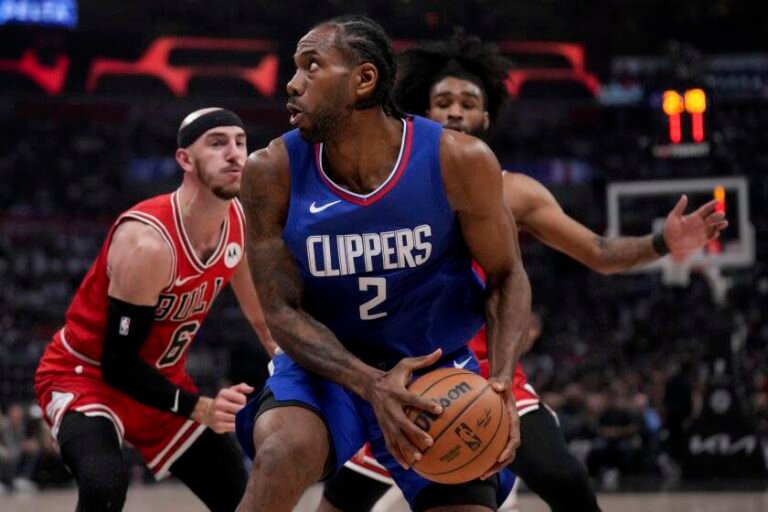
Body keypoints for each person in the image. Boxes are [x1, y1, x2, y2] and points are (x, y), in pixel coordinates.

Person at [319, 33, 728, 512]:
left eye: (468, 102)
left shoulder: (515, 192)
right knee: (340, 500)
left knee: (563, 475)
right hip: (400, 373)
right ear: (422, 113)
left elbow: (598, 251)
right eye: (443, 101)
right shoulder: (387, 187)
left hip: (485, 373)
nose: (455, 111)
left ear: (485, 117)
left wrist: (662, 242)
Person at [235, 15, 531, 512]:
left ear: (363, 81)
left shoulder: (457, 160)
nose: (291, 83)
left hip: (431, 371)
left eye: (311, 66)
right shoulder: (270, 172)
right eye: (295, 68)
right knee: (283, 451)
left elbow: (508, 276)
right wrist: (370, 384)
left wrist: (500, 385)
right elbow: (281, 311)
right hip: (326, 371)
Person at [33, 107, 276, 511]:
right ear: (184, 159)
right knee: (104, 487)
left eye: (240, 142)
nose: (235, 154)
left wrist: (295, 374)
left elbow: (263, 319)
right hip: (85, 376)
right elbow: (118, 364)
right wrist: (200, 407)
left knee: (245, 500)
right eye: (217, 144)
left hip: (160, 381)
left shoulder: (238, 221)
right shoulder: (148, 243)